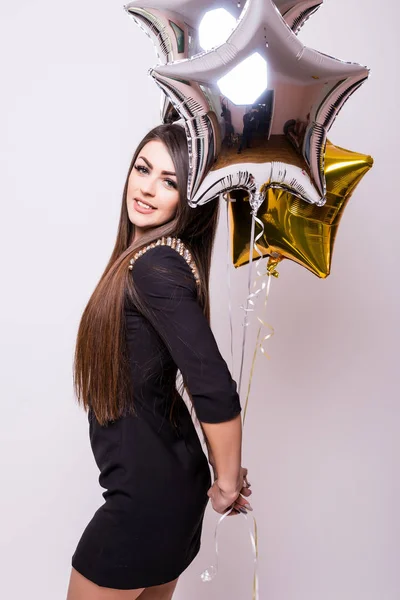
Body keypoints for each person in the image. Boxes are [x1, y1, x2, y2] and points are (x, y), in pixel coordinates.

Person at [66, 123, 252, 600]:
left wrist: (227, 480)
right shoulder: (157, 256)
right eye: (143, 168)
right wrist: (218, 469)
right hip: (167, 490)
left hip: (146, 502)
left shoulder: (154, 264)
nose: (147, 187)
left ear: (190, 198)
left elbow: (212, 383)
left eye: (170, 181)